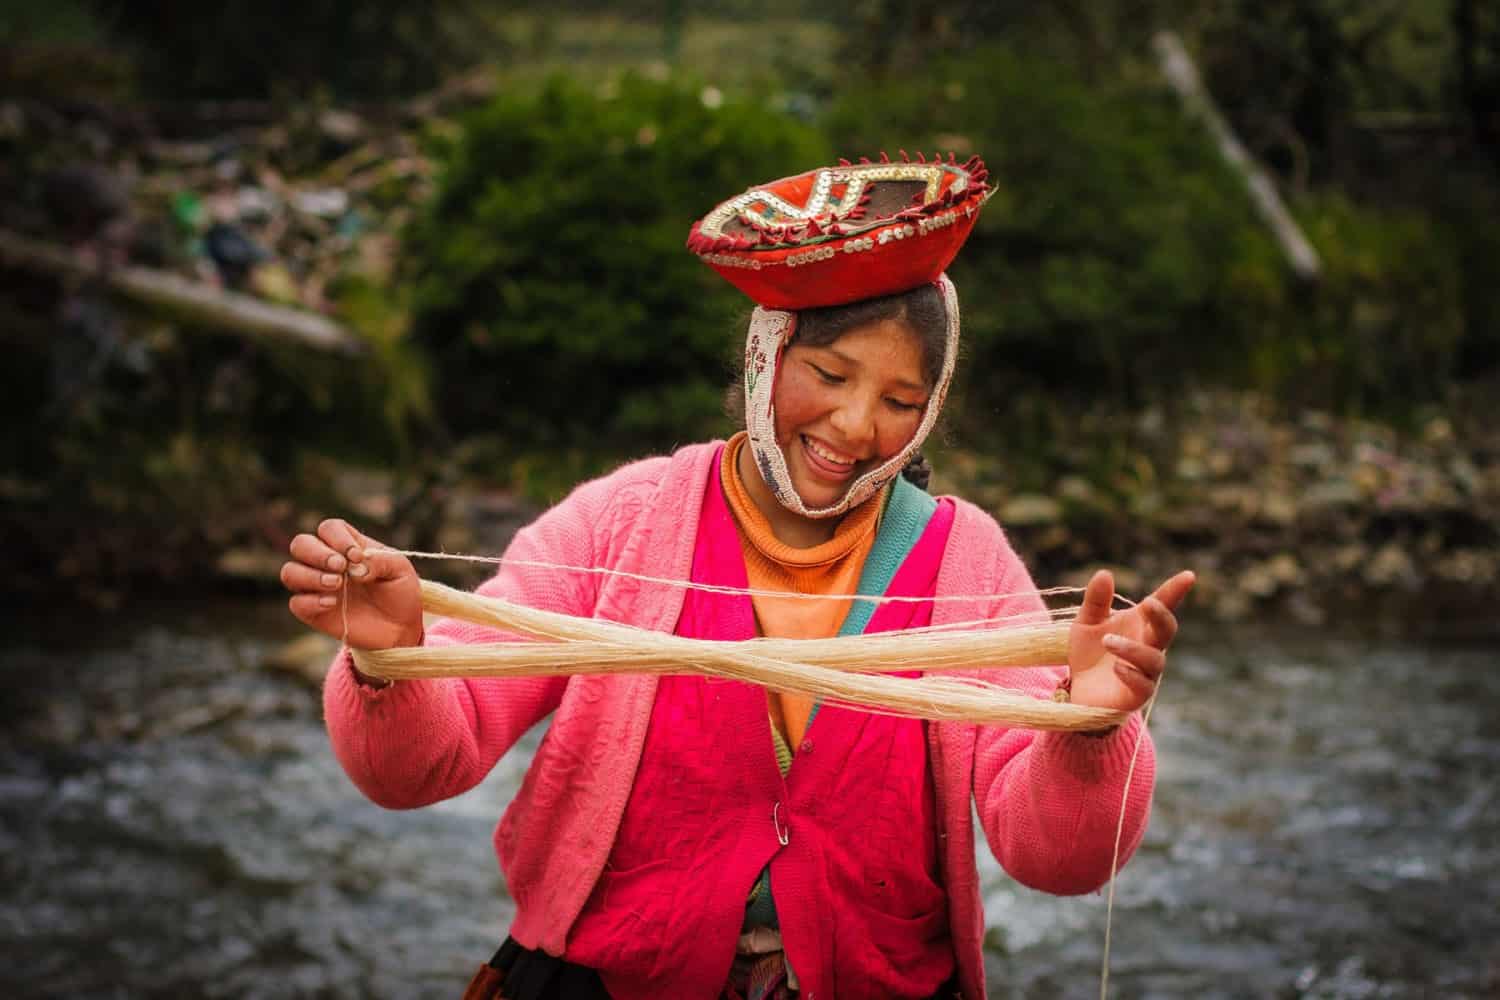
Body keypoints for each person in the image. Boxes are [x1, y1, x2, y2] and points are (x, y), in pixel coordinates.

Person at [281, 155, 1194, 1000]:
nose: (854, 426)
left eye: (900, 403)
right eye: (830, 375)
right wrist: (392, 657)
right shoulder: (623, 520)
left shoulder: (965, 562)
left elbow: (1054, 859)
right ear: (766, 360)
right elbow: (429, 762)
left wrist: (1088, 725)